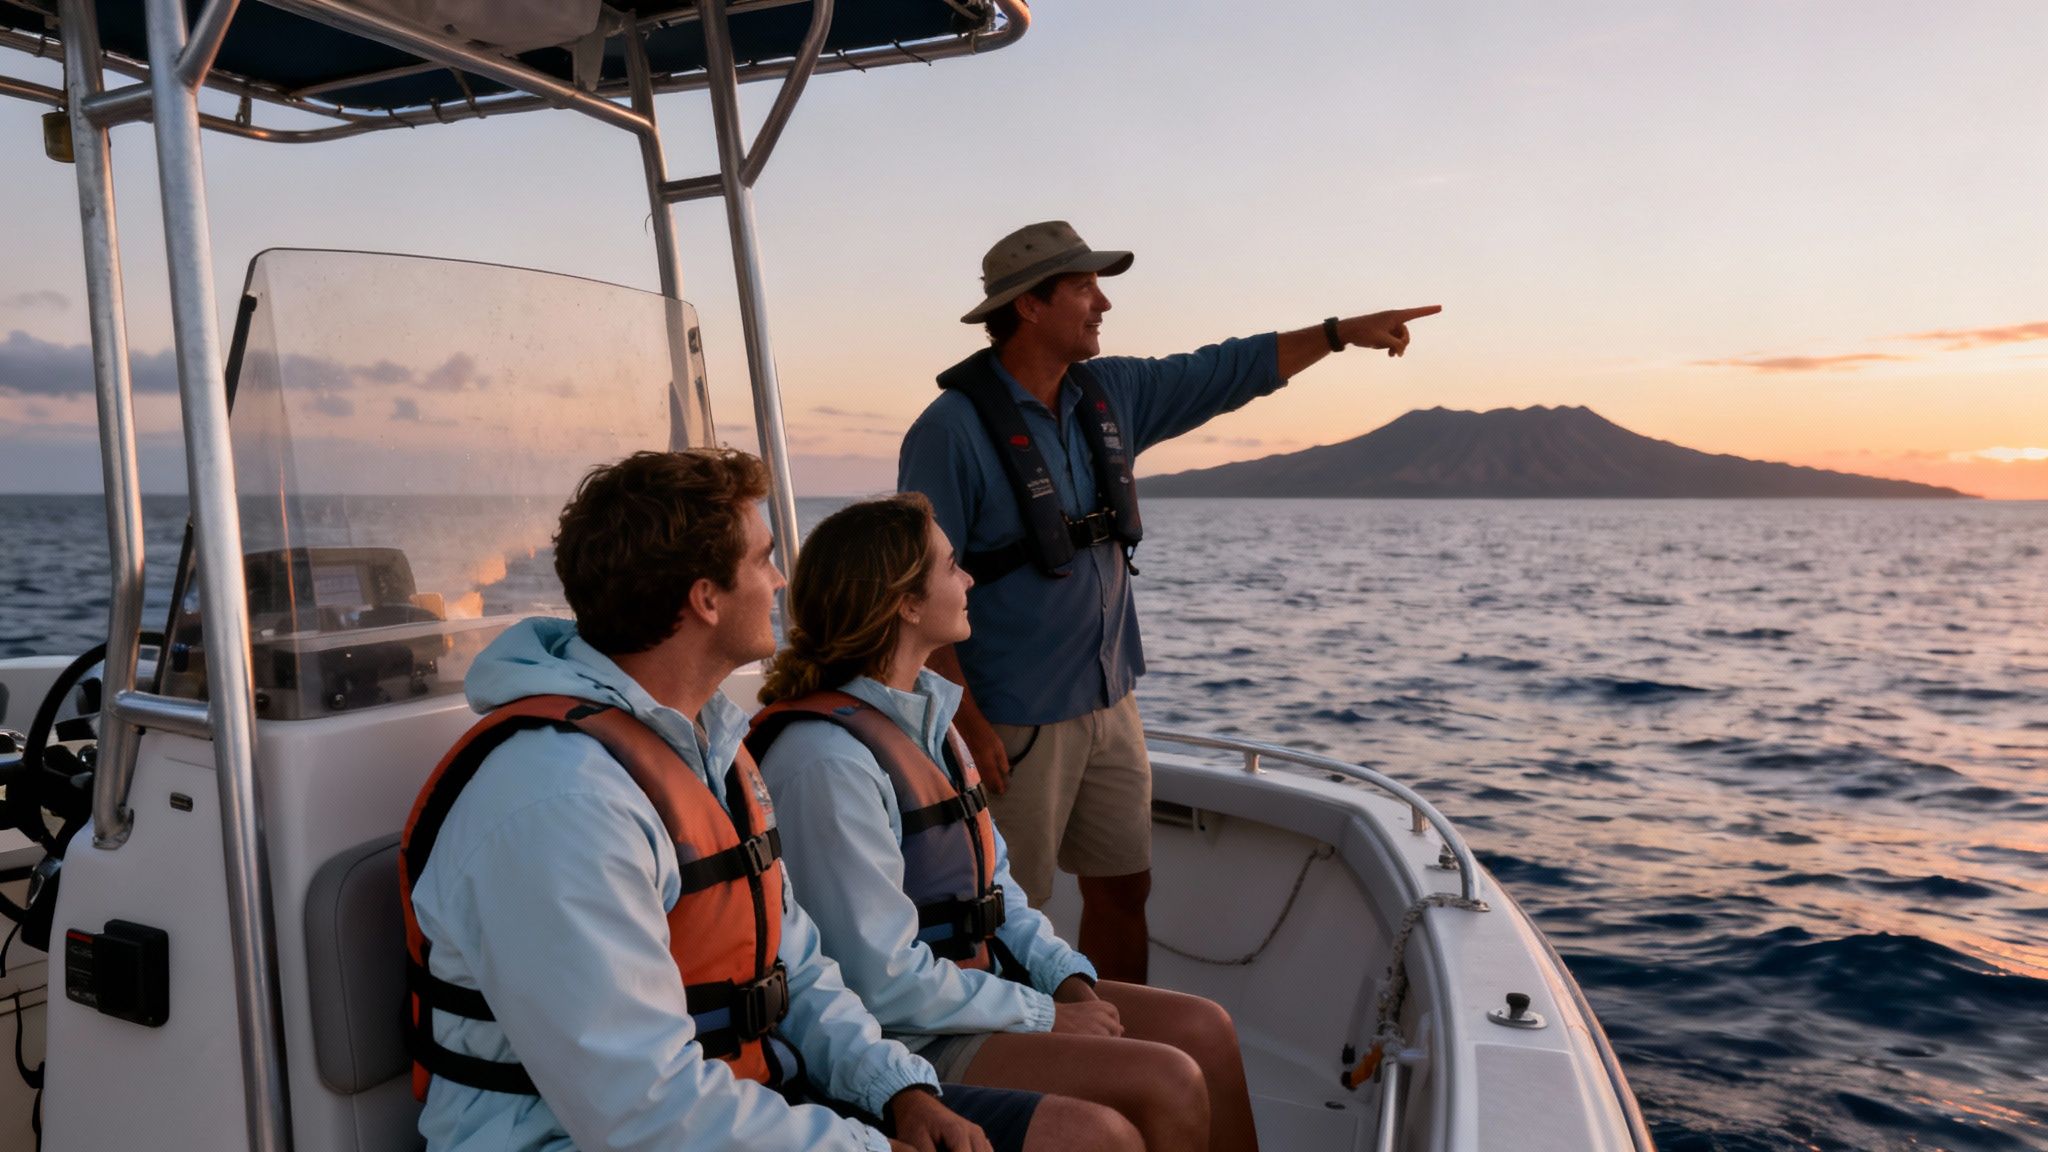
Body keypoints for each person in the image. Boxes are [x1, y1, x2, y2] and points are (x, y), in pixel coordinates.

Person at [399, 449, 1136, 1152]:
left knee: (1091, 1139)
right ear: (706, 599)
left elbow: (799, 969)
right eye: (762, 559)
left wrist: (899, 1093)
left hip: (753, 1096)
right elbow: (644, 1117)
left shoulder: (708, 753)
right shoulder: (560, 804)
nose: (782, 580)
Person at [898, 220, 1440, 981]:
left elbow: (1225, 369)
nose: (1104, 303)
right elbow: (914, 594)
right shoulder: (950, 431)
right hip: (1011, 717)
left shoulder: (1110, 393)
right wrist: (966, 721)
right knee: (1005, 912)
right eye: (1085, 286)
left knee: (1126, 884)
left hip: (1111, 699)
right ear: (1029, 305)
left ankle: (1122, 1040)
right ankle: (1024, 1076)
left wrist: (1338, 333)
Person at [747, 494, 1258, 1152]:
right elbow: (882, 981)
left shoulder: (931, 721)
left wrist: (1065, 980)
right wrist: (1043, 1015)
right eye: (952, 567)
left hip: (974, 990)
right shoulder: (826, 762)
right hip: (903, 1033)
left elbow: (999, 891)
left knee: (1205, 1030)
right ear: (904, 602)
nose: (969, 580)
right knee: (1166, 1081)